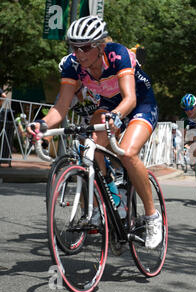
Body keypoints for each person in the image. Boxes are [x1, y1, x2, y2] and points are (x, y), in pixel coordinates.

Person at [27, 16, 162, 249]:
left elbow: (129, 98)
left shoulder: (117, 54)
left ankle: (152, 217)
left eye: (85, 47)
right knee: (88, 148)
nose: (79, 53)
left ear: (100, 45)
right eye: (74, 47)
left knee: (128, 153)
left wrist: (118, 117)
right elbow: (61, 107)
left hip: (139, 103)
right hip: (109, 106)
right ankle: (105, 202)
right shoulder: (72, 65)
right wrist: (42, 124)